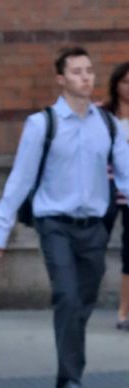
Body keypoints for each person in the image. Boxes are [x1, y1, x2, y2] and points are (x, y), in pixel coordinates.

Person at [0, 46, 129, 388]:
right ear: (62, 79)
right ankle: (70, 384)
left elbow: (126, 176)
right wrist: (0, 229)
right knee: (67, 297)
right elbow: (20, 179)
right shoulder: (42, 124)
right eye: (78, 71)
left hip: (95, 227)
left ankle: (70, 363)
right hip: (55, 225)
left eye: (90, 71)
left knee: (82, 303)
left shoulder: (108, 125)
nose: (86, 77)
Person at [103, 61, 129, 329]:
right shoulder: (102, 113)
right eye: (125, 82)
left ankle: (124, 310)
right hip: (106, 190)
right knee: (94, 244)